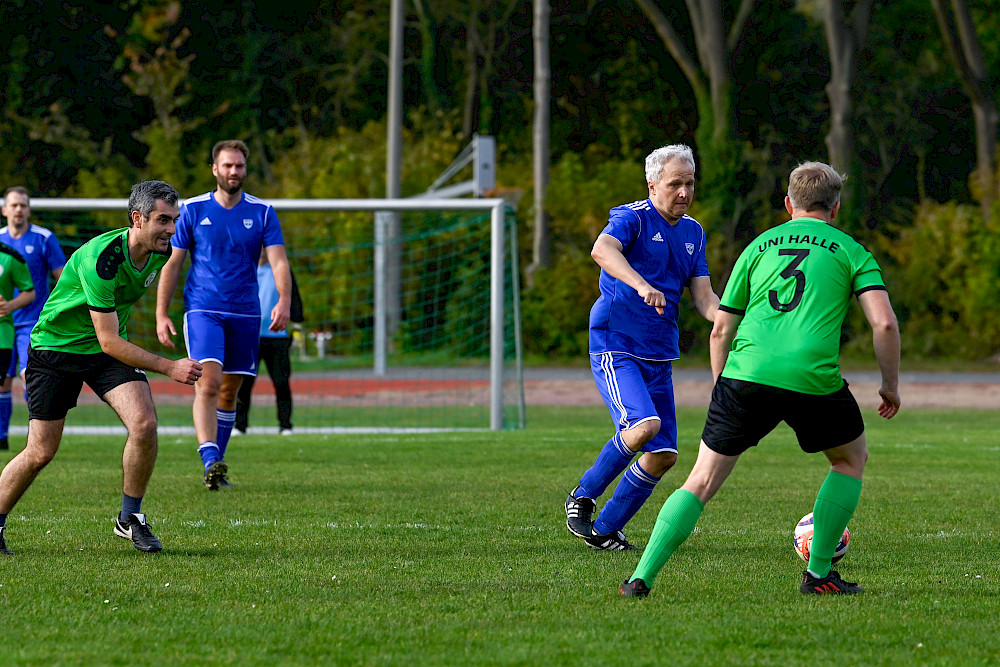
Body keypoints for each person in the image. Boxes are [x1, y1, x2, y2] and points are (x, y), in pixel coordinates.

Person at [619, 161, 901, 598]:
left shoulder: (759, 246)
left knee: (701, 479)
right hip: (813, 377)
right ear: (837, 207)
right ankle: (819, 574)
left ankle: (640, 578)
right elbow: (883, 325)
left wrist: (722, 386)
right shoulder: (851, 250)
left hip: (744, 375)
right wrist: (890, 386)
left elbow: (721, 328)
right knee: (849, 460)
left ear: (788, 204)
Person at [0, 180, 203, 556]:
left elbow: (109, 339)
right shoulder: (102, 259)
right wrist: (169, 367)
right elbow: (109, 340)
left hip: (104, 349)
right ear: (137, 219)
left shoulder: (161, 250)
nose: (172, 229)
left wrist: (162, 315)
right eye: (163, 220)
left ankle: (130, 519)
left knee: (144, 424)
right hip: (56, 349)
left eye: (175, 220)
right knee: (41, 451)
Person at [564, 144, 720, 551]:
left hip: (659, 352)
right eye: (675, 184)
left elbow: (705, 299)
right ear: (653, 185)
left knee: (663, 454)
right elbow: (602, 250)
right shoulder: (632, 217)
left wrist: (734, 317)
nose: (684, 192)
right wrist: (641, 285)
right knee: (643, 428)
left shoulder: (694, 232)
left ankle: (604, 530)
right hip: (617, 343)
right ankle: (582, 496)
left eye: (689, 184)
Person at [156, 139, 291, 490]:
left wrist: (284, 301)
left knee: (230, 392)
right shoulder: (192, 209)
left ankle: (215, 469)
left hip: (246, 313)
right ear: (215, 169)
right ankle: (210, 457)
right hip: (203, 309)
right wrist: (161, 312)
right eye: (227, 165)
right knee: (209, 383)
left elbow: (278, 260)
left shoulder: (263, 212)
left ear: (245, 170)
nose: (234, 171)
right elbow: (173, 263)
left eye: (240, 166)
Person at [0, 186, 67, 450]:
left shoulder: (43, 238)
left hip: (34, 323)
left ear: (29, 209)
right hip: (3, 324)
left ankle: (37, 437)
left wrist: (61, 311)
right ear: (4, 210)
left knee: (32, 377)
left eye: (23, 205)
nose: (19, 210)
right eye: (14, 205)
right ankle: (2, 438)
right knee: (3, 380)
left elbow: (63, 278)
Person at [234, 252, 304, 436]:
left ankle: (285, 425)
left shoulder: (281, 270)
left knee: (281, 383)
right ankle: (239, 426)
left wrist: (297, 327)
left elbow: (293, 296)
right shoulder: (244, 269)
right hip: (249, 337)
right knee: (243, 384)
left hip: (277, 337)